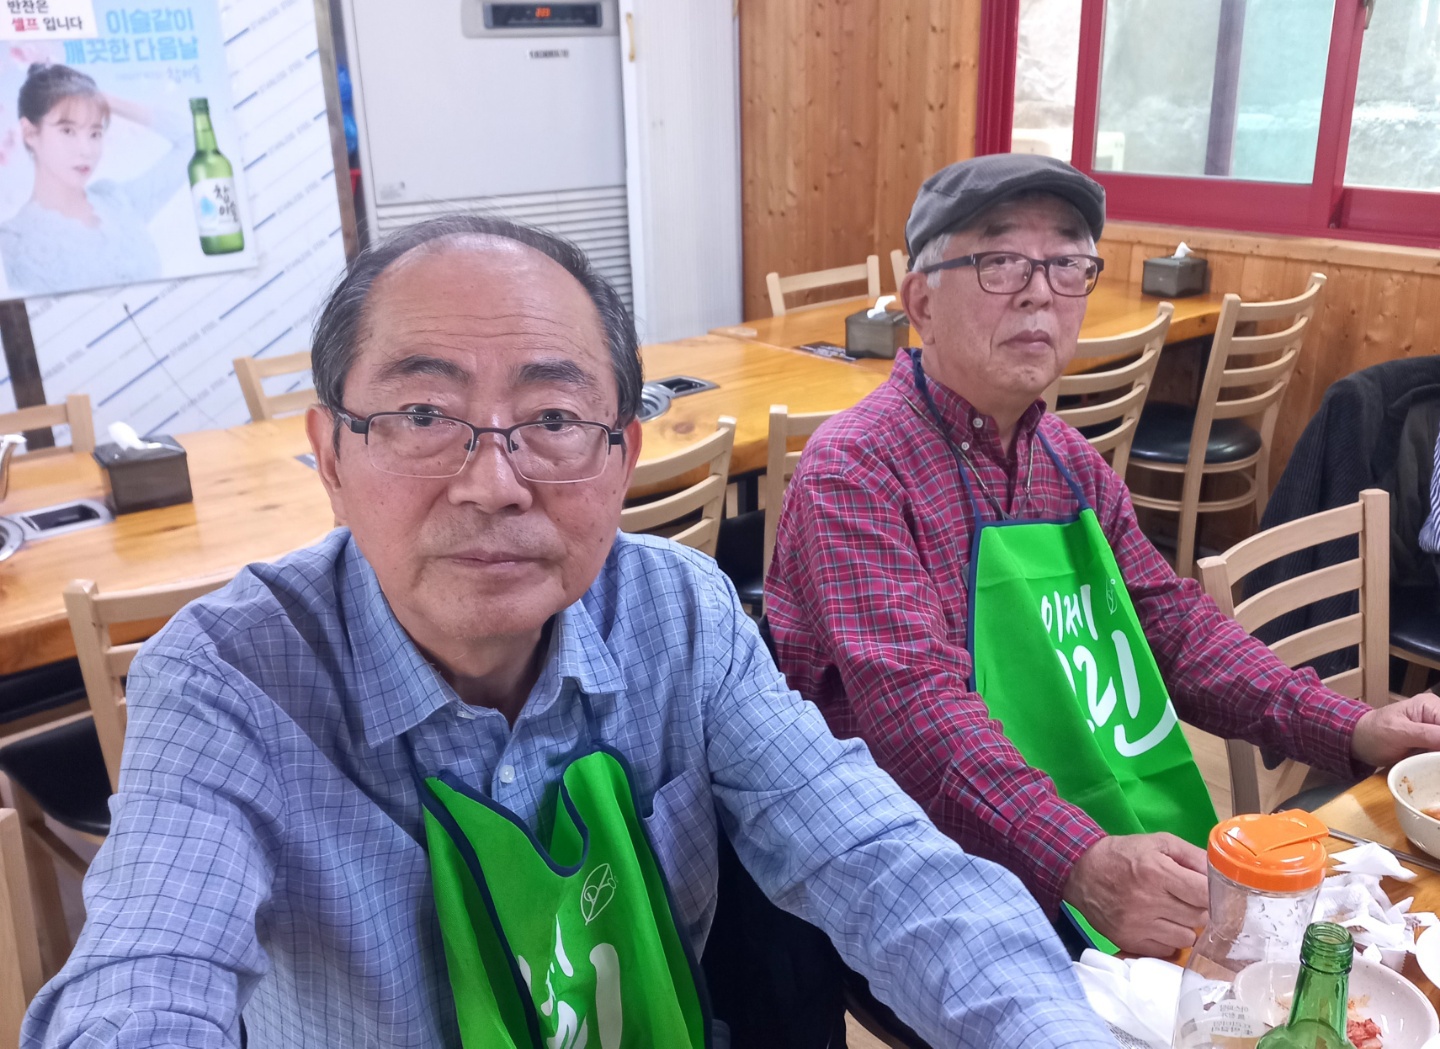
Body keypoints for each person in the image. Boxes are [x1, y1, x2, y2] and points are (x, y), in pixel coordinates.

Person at [24, 215, 1117, 1048]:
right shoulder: (229, 679)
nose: (493, 484)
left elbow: (878, 860)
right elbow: (146, 971)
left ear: (621, 457)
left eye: (552, 419)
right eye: (423, 416)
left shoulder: (680, 614)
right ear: (332, 453)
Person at [765, 153, 1440, 959]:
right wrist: (1080, 859)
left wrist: (1358, 724)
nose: (1038, 291)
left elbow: (1175, 627)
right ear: (921, 303)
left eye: (1066, 263)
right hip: (917, 864)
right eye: (999, 260)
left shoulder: (1065, 458)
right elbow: (917, 715)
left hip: (1073, 820)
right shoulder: (855, 469)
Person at [0, 61, 185, 295]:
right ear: (30, 133)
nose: (86, 150)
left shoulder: (117, 202)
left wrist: (101, 99)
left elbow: (195, 140)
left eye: (95, 133)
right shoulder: (13, 241)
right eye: (68, 131)